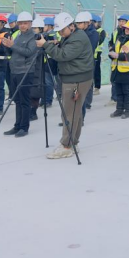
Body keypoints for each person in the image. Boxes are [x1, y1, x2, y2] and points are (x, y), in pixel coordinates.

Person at [39, 13, 94, 159]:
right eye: (59, 31)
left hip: (76, 79)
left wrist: (45, 45)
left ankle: (66, 146)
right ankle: (73, 142)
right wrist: (58, 43)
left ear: (71, 26)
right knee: (75, 113)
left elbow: (63, 55)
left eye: (62, 30)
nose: (61, 33)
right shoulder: (72, 36)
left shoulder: (77, 39)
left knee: (69, 114)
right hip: (75, 77)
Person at [1, 11, 36, 138]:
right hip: (15, 71)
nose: (22, 25)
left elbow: (29, 52)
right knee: (17, 100)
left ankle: (24, 127)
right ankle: (17, 125)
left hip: (25, 72)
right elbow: (13, 51)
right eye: (20, 23)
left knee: (24, 101)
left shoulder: (33, 37)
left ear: (30, 24)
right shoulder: (19, 36)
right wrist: (7, 46)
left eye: (25, 23)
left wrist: (13, 45)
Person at [110, 18, 129, 119]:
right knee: (119, 92)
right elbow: (113, 49)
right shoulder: (119, 39)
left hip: (128, 72)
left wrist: (118, 56)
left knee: (128, 92)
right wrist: (111, 54)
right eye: (126, 28)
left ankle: (127, 111)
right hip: (117, 70)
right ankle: (119, 109)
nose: (126, 30)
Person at [74, 12, 99, 116]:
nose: (78, 25)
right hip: (76, 63)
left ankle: (85, 108)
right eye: (77, 23)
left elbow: (88, 48)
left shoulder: (94, 34)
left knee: (85, 86)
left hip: (87, 63)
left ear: (87, 23)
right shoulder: (77, 32)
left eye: (80, 23)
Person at [107, 14, 129, 106]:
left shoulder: (128, 34)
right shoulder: (116, 32)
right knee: (114, 80)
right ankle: (114, 98)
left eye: (123, 21)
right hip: (115, 60)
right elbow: (111, 42)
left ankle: (119, 100)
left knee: (123, 85)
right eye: (120, 21)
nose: (121, 23)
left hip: (123, 61)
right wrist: (110, 48)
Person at [92, 14, 107, 96]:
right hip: (90, 53)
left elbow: (99, 41)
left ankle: (97, 87)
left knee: (96, 70)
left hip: (97, 53)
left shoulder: (101, 31)